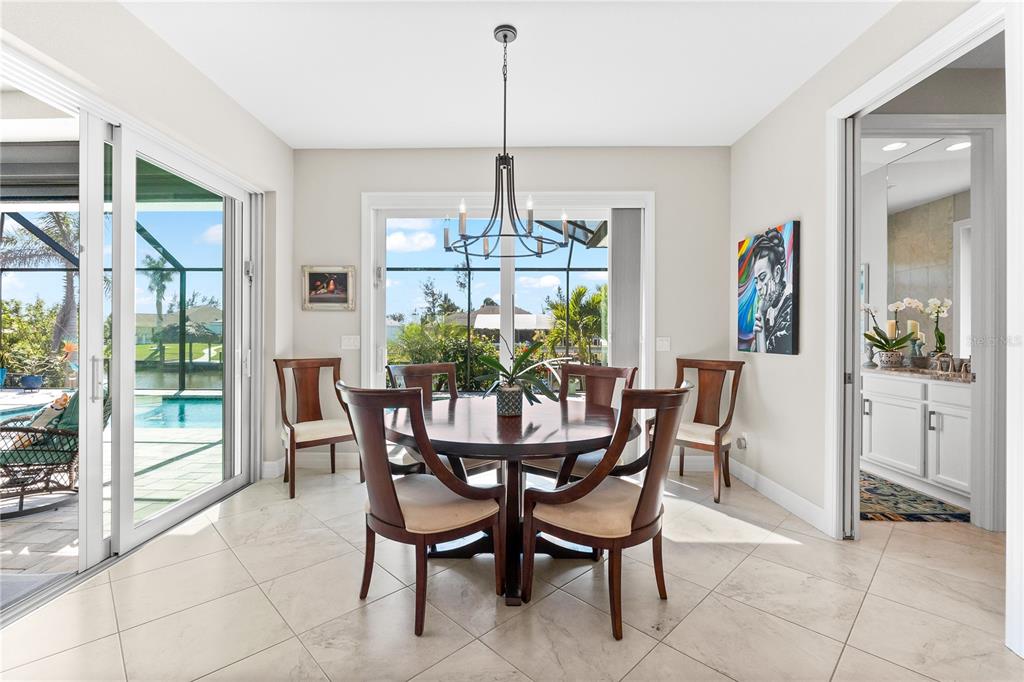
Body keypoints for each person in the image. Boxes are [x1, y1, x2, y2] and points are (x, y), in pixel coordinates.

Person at [751, 229, 794, 354]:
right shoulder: (769, 307)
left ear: (777, 273)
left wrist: (761, 313)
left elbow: (765, 355)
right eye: (756, 281)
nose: (759, 287)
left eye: (763, 277)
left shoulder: (789, 308)